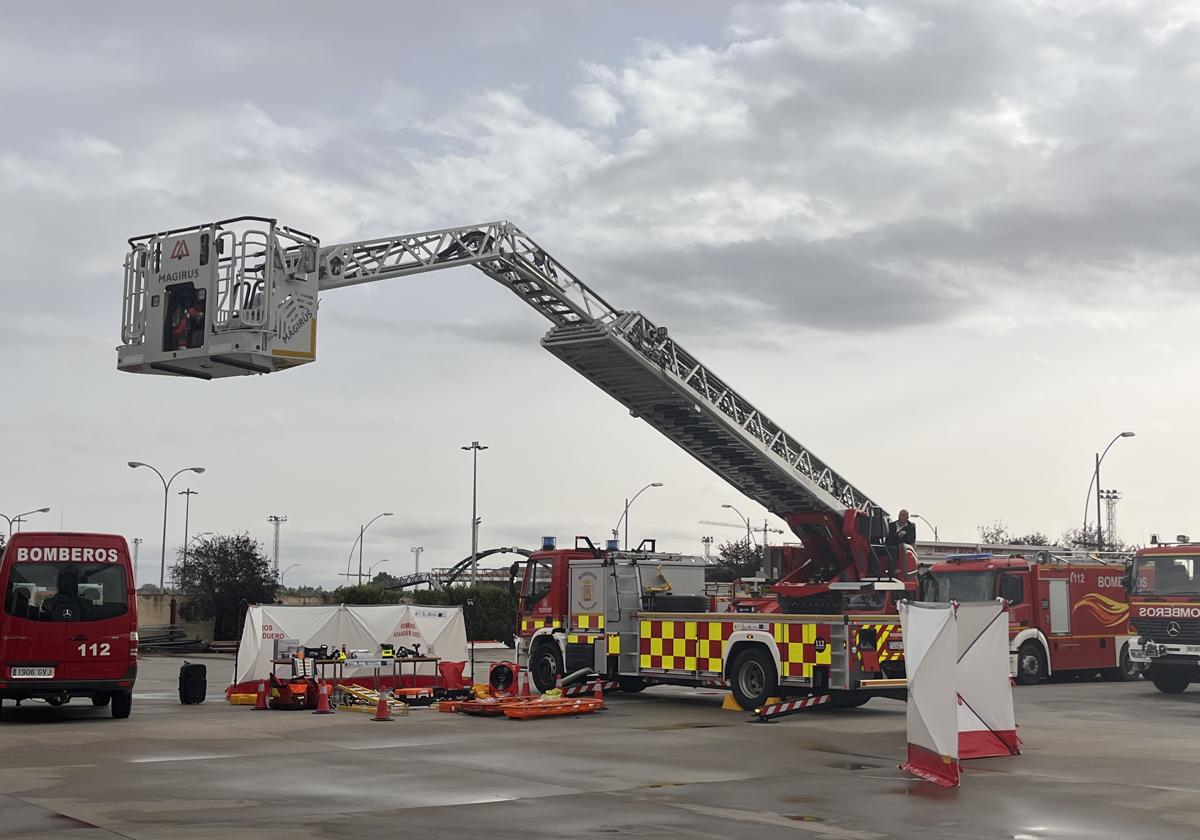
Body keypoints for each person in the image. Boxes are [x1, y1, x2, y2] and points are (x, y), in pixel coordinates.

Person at [883, 510, 917, 578]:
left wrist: (904, 536)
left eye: (903, 515)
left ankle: (891, 571)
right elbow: (888, 539)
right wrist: (898, 536)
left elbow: (911, 540)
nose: (901, 516)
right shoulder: (891, 525)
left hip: (902, 549)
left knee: (894, 549)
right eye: (900, 514)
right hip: (889, 546)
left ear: (907, 517)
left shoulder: (910, 527)